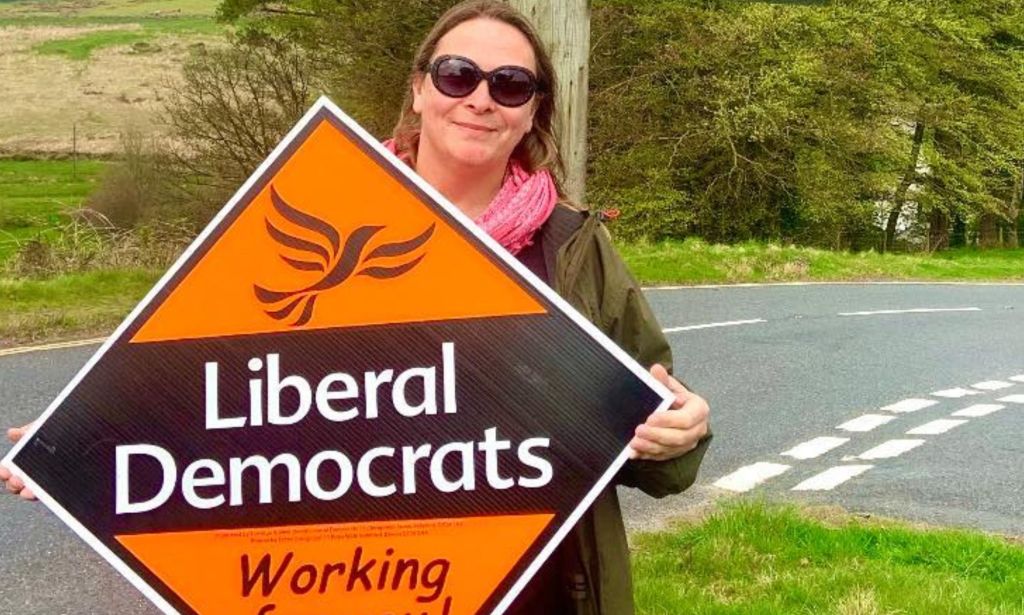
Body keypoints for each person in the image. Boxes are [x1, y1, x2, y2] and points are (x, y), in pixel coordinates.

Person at [2, 1, 711, 612]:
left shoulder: (577, 250)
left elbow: (649, 432)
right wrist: (82, 435)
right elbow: (227, 393)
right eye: (458, 74)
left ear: (535, 111)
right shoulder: (327, 220)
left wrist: (680, 435)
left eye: (511, 84)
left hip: (548, 593)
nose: (481, 98)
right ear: (419, 89)